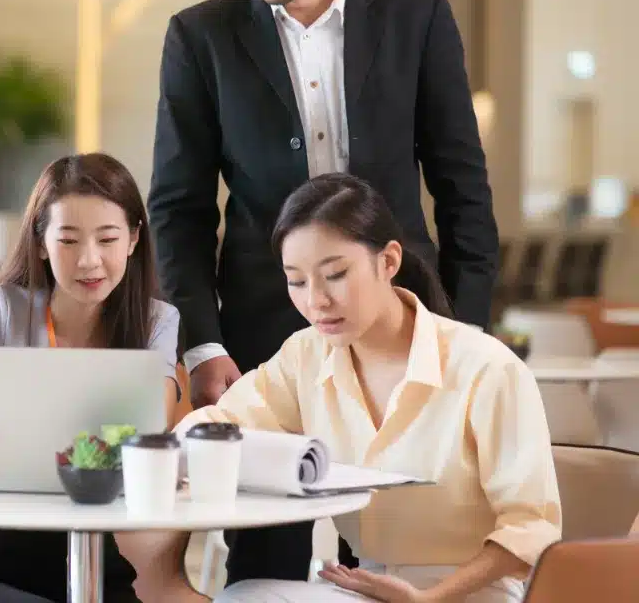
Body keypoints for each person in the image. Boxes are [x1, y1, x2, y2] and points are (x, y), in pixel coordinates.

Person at [147, 0, 499, 583]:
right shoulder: (200, 37)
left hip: (412, 325)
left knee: (407, 546)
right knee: (264, 561)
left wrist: (464, 332)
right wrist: (205, 347)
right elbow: (177, 209)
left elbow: (463, 187)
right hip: (267, 338)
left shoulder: (416, 15)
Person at [177, 173, 559, 602]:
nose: (316, 301)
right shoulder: (307, 355)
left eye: (335, 274)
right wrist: (165, 453)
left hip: (472, 592)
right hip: (369, 587)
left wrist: (428, 599)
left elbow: (531, 528)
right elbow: (223, 420)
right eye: (297, 281)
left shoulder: (487, 368)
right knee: (242, 596)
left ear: (389, 261)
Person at [0, 153, 203, 603]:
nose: (89, 261)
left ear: (132, 239)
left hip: (100, 555)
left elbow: (152, 420)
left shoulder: (157, 321)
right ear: (41, 243)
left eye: (107, 239)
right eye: (68, 241)